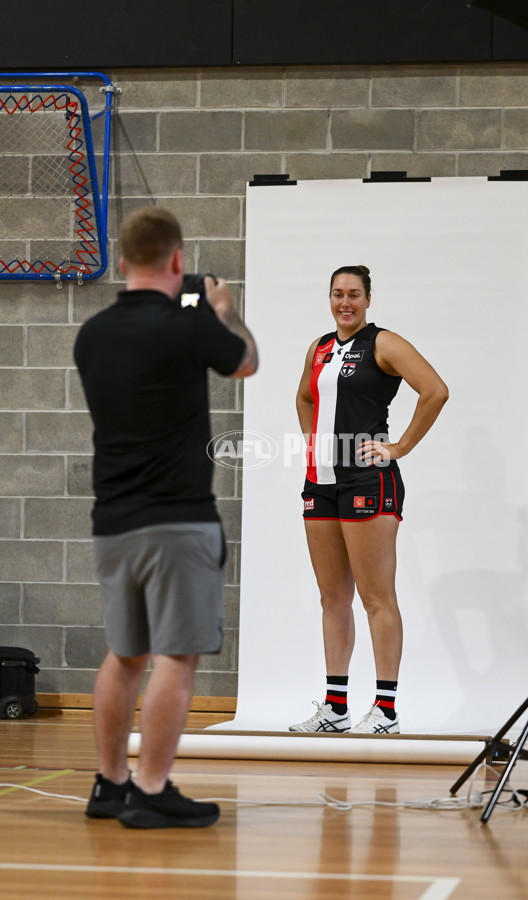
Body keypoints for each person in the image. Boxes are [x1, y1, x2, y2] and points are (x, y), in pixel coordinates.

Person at [74, 207, 258, 828]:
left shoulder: (91, 335)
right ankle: (152, 789)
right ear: (177, 261)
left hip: (114, 521)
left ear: (122, 261)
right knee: (176, 656)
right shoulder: (189, 325)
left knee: (125, 653)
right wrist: (221, 309)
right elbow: (245, 362)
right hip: (177, 518)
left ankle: (110, 784)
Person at [290, 265, 448, 735]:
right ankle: (335, 709)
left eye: (354, 294)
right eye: (338, 294)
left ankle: (386, 711)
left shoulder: (384, 343)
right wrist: (311, 441)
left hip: (367, 480)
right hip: (321, 481)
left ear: (368, 299)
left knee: (376, 598)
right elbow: (304, 398)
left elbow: (436, 391)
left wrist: (398, 447)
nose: (345, 302)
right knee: (332, 597)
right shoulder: (319, 348)